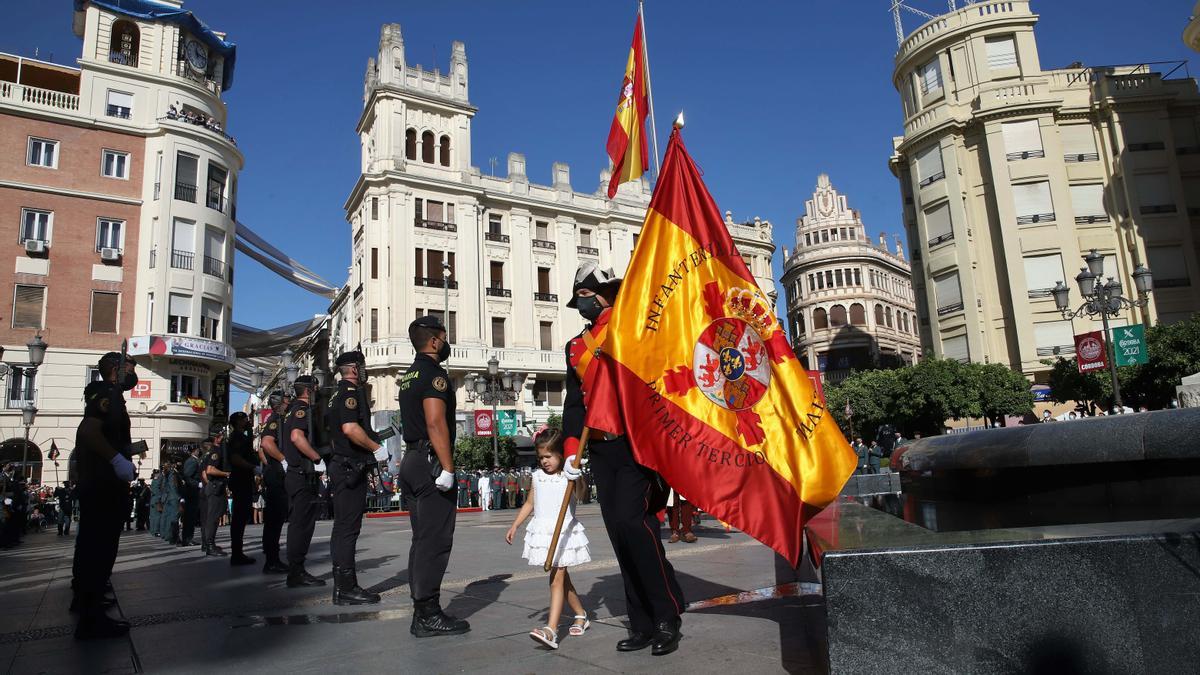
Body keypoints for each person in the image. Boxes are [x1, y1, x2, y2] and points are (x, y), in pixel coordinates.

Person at [562, 263, 684, 656]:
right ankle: (643, 622)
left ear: (603, 295)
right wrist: (570, 453)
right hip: (600, 448)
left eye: (585, 295)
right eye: (577, 296)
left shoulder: (631, 329)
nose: (581, 303)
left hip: (636, 443)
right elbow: (573, 404)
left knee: (636, 525)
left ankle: (666, 616)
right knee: (619, 532)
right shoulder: (575, 347)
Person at [398, 316, 470, 636]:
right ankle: (428, 613)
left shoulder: (408, 375)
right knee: (435, 540)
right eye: (445, 336)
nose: (447, 342)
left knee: (420, 539)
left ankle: (421, 611)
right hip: (430, 462)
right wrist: (448, 468)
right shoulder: (434, 374)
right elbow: (435, 422)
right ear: (436, 341)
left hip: (412, 459)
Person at [71, 351, 138, 640]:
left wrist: (127, 453)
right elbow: (89, 431)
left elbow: (108, 436)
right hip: (101, 484)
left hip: (103, 482)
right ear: (116, 368)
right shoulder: (107, 393)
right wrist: (116, 460)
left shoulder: (113, 395)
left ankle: (90, 604)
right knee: (99, 549)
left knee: (95, 548)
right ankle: (91, 617)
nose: (134, 375)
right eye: (130, 368)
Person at [506, 428, 591, 649]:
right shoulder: (537, 477)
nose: (544, 461)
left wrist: (577, 473)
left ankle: (551, 630)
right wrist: (515, 525)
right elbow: (530, 504)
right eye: (541, 457)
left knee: (556, 580)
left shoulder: (569, 477)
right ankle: (581, 614)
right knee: (564, 581)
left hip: (563, 533)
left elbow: (582, 495)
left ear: (561, 454)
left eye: (548, 456)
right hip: (545, 533)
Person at [327, 350, 386, 605]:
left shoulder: (335, 395)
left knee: (341, 528)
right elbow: (350, 428)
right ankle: (347, 588)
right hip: (350, 466)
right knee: (349, 529)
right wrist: (376, 448)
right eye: (361, 365)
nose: (364, 369)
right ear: (352, 368)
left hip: (342, 465)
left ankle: (341, 587)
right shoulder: (350, 393)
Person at [281, 375, 327, 588]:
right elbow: (297, 437)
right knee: (302, 525)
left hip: (296, 474)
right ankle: (296, 571)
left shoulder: (291, 410)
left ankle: (296, 570)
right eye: (315, 387)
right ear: (308, 390)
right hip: (301, 474)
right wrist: (316, 458)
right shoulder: (302, 409)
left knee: (299, 524)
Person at [258, 389, 291, 575]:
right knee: (274, 519)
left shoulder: (276, 420)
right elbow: (266, 444)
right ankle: (272, 560)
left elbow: (261, 451)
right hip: (276, 475)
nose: (288, 402)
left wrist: (269, 464)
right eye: (286, 399)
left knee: (275, 519)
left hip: (273, 472)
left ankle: (272, 558)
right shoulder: (275, 420)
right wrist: (281, 460)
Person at [226, 412, 258, 566]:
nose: (247, 420)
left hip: (243, 478)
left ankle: (238, 553)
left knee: (242, 516)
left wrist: (251, 431)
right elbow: (236, 458)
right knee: (239, 518)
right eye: (244, 418)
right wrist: (253, 467)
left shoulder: (242, 435)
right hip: (240, 478)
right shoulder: (237, 437)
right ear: (238, 421)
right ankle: (236, 554)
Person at [200, 432, 230, 556]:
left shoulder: (211, 452)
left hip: (212, 487)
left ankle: (209, 544)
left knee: (213, 517)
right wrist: (226, 474)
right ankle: (210, 546)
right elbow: (210, 470)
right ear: (217, 438)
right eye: (221, 436)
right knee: (212, 518)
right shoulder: (216, 451)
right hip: (215, 487)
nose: (223, 438)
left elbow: (204, 473)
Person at [179, 446, 201, 546]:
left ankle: (188, 538)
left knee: (191, 517)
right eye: (197, 450)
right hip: (191, 492)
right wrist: (197, 484)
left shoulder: (194, 460)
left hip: (193, 492)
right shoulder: (192, 461)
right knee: (190, 517)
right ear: (194, 451)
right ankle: (187, 539)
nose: (198, 451)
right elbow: (187, 476)